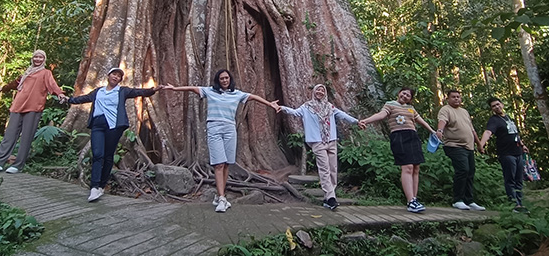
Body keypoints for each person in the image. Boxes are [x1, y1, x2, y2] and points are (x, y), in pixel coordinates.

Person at [161, 69, 280, 213]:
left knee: (227, 164)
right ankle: (223, 198)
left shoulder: (237, 94)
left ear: (230, 79)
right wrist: (175, 88)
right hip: (214, 127)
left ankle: (219, 195)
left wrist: (270, 104)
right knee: (218, 164)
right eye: (222, 78)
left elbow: (253, 97)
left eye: (227, 78)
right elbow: (192, 88)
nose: (224, 80)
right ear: (218, 80)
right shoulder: (210, 91)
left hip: (230, 128)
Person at [64, 68, 162, 202]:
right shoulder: (98, 91)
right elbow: (83, 98)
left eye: (118, 76)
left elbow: (138, 92)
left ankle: (102, 185)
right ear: (108, 76)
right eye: (114, 74)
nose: (116, 77)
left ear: (120, 80)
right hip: (98, 125)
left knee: (108, 155)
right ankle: (94, 186)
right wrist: (68, 99)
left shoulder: (122, 91)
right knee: (98, 154)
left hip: (113, 126)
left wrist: (153, 90)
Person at [0, 50, 68, 174]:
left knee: (26, 137)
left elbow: (52, 85)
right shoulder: (27, 73)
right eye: (36, 57)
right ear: (32, 58)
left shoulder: (45, 73)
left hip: (33, 106)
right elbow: (15, 84)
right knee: (9, 135)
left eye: (41, 57)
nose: (38, 59)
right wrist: (2, 88)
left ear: (44, 59)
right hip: (18, 105)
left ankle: (18, 165)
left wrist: (60, 94)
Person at [279, 84, 365, 210]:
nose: (320, 91)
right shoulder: (307, 106)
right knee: (324, 168)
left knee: (333, 169)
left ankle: (329, 196)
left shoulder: (329, 107)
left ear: (325, 93)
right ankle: (331, 198)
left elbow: (342, 115)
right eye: (318, 89)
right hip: (317, 141)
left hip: (331, 141)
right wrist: (281, 107)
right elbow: (295, 112)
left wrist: (356, 122)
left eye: (322, 90)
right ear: (314, 92)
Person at [359, 87, 436, 213]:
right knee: (407, 167)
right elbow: (381, 115)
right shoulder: (390, 105)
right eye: (403, 93)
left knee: (416, 167)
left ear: (410, 99)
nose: (405, 96)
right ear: (399, 93)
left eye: (408, 96)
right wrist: (366, 121)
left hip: (413, 136)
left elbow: (420, 120)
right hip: (399, 136)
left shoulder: (411, 108)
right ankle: (411, 201)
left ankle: (414, 200)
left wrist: (432, 131)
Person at [436, 89, 485, 211]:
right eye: (453, 97)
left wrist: (479, 144)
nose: (456, 99)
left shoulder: (464, 111)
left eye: (458, 97)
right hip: (454, 145)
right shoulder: (445, 110)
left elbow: (472, 129)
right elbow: (442, 121)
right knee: (463, 170)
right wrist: (440, 131)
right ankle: (458, 200)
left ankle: (469, 200)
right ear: (448, 99)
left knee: (470, 172)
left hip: (469, 147)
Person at [478, 97, 529, 212]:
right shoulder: (494, 120)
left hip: (518, 152)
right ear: (492, 109)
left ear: (502, 104)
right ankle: (514, 204)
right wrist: (481, 144)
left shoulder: (508, 118)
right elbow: (488, 132)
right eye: (493, 106)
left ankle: (520, 203)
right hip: (506, 153)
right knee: (510, 179)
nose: (496, 107)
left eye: (497, 104)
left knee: (519, 179)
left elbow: (515, 133)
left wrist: (522, 145)